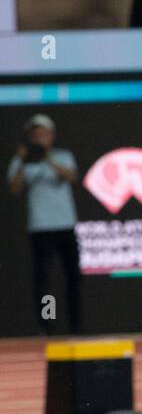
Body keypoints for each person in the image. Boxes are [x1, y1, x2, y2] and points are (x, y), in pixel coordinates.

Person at [7, 114, 82, 336]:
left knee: (73, 277)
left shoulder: (62, 156)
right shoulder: (22, 162)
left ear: (51, 136)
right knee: (45, 281)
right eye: (35, 135)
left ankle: (75, 326)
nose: (39, 138)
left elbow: (71, 176)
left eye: (43, 134)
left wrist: (47, 157)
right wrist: (22, 160)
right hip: (41, 228)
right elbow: (14, 189)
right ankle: (47, 325)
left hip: (65, 225)